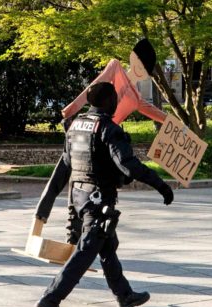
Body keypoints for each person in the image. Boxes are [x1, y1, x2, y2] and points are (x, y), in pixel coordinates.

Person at [35, 82, 174, 307]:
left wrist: (46, 204)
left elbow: (65, 166)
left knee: (107, 245)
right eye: (115, 99)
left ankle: (125, 295)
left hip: (79, 196)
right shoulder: (109, 129)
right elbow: (127, 165)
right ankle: (51, 298)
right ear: (109, 101)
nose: (117, 103)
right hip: (99, 200)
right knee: (86, 250)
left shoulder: (76, 126)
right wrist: (160, 185)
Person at [35, 38, 166, 244]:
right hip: (87, 129)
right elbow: (92, 88)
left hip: (105, 140)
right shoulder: (115, 67)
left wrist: (177, 125)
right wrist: (71, 110)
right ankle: (52, 222)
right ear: (132, 57)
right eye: (139, 63)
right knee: (65, 171)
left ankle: (80, 236)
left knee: (89, 181)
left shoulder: (137, 96)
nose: (140, 70)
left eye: (145, 69)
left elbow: (154, 112)